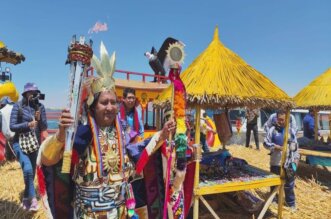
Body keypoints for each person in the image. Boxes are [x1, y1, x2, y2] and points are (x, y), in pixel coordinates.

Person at [38, 44, 176, 218]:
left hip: (120, 212)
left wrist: (162, 135)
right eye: (104, 102)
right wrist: (59, 136)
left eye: (113, 102)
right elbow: (48, 160)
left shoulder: (122, 135)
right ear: (93, 107)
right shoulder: (81, 135)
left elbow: (137, 155)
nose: (110, 107)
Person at [10, 82, 48, 211]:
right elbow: (12, 126)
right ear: (26, 94)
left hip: (34, 144)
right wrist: (27, 125)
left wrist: (39, 117)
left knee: (31, 174)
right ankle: (33, 200)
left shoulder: (40, 107)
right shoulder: (18, 106)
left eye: (36, 93)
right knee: (27, 170)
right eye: (32, 93)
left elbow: (43, 127)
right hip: (19, 143)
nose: (34, 95)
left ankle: (26, 200)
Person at [263, 110, 300, 211]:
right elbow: (265, 143)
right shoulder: (272, 130)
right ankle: (273, 201)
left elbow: (296, 148)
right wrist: (274, 146)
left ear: (287, 119)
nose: (280, 121)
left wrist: (296, 160)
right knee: (274, 183)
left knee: (289, 185)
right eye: (278, 119)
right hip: (276, 162)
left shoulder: (291, 131)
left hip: (289, 163)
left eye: (282, 120)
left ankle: (291, 204)